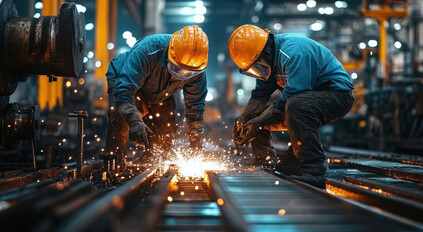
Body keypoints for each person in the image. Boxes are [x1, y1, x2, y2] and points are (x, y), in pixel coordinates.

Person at [229, 24, 354, 188]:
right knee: (256, 115)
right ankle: (266, 162)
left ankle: (315, 169)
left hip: (336, 96)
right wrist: (244, 119)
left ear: (265, 52)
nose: (258, 70)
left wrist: (258, 122)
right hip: (302, 100)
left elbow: (291, 98)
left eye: (257, 65)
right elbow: (259, 96)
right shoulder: (267, 60)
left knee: (296, 105)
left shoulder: (293, 52)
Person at [105, 25, 208, 168]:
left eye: (188, 73)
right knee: (120, 118)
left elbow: (195, 109)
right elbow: (124, 92)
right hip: (126, 82)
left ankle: (151, 163)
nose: (182, 75)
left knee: (165, 131)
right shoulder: (148, 50)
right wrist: (135, 122)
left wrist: (196, 145)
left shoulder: (197, 69)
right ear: (171, 55)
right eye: (178, 69)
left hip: (161, 91)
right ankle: (113, 165)